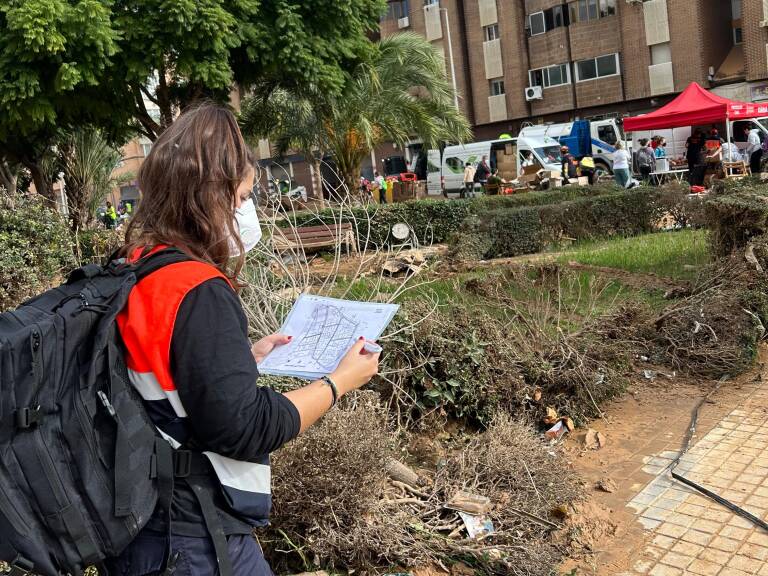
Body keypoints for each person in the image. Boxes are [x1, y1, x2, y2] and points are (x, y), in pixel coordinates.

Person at [106, 104, 380, 575]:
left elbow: (158, 378)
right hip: (193, 538)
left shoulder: (134, 264)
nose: (244, 214)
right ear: (210, 196)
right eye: (241, 199)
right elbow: (241, 427)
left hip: (137, 527)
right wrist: (337, 382)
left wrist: (240, 360)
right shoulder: (198, 288)